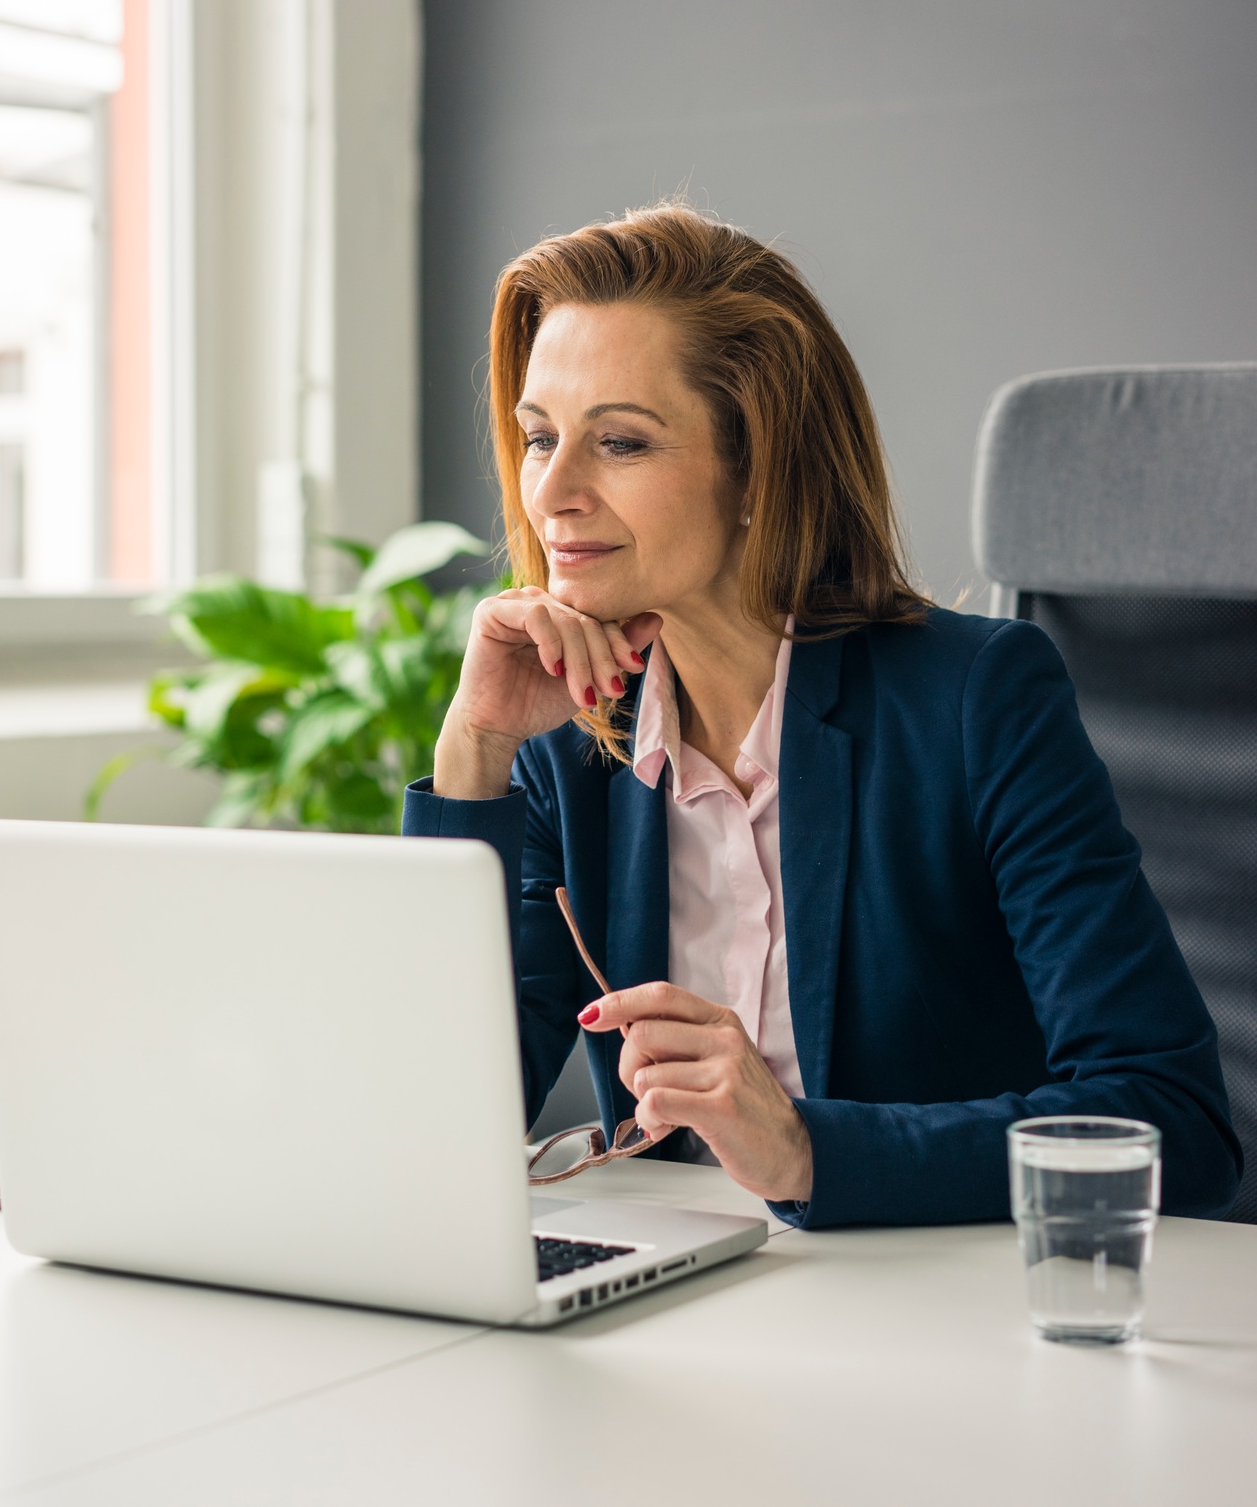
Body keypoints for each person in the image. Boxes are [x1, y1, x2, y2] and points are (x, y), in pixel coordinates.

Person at [403, 203, 1240, 1227]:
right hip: (681, 1306)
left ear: (757, 464)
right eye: (538, 438)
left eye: (618, 440)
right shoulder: (571, 744)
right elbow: (428, 1121)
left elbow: (1172, 1122)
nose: (552, 493)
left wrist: (802, 1146)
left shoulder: (977, 699)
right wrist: (475, 747)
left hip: (935, 1312)